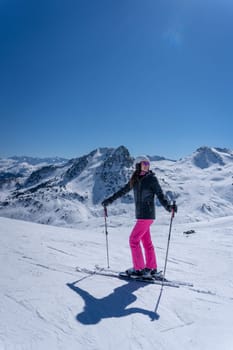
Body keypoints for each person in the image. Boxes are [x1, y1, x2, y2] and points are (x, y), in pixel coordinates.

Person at [101, 155, 177, 279]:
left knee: (133, 240)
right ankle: (151, 268)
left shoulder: (152, 179)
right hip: (142, 216)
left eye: (148, 164)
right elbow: (122, 191)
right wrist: (109, 201)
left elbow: (160, 195)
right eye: (144, 164)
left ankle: (139, 269)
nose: (147, 166)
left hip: (147, 215)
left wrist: (169, 207)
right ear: (137, 165)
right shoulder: (135, 180)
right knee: (146, 242)